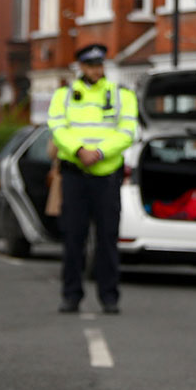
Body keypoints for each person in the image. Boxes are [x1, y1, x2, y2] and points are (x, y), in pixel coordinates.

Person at [46, 43, 139, 314]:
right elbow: (57, 127)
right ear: (81, 67)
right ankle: (71, 295)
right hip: (75, 174)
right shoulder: (63, 95)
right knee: (74, 237)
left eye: (100, 65)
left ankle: (109, 297)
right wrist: (78, 151)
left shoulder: (121, 95)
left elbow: (127, 131)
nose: (97, 70)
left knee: (107, 238)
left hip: (107, 175)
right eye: (91, 65)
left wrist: (98, 152)